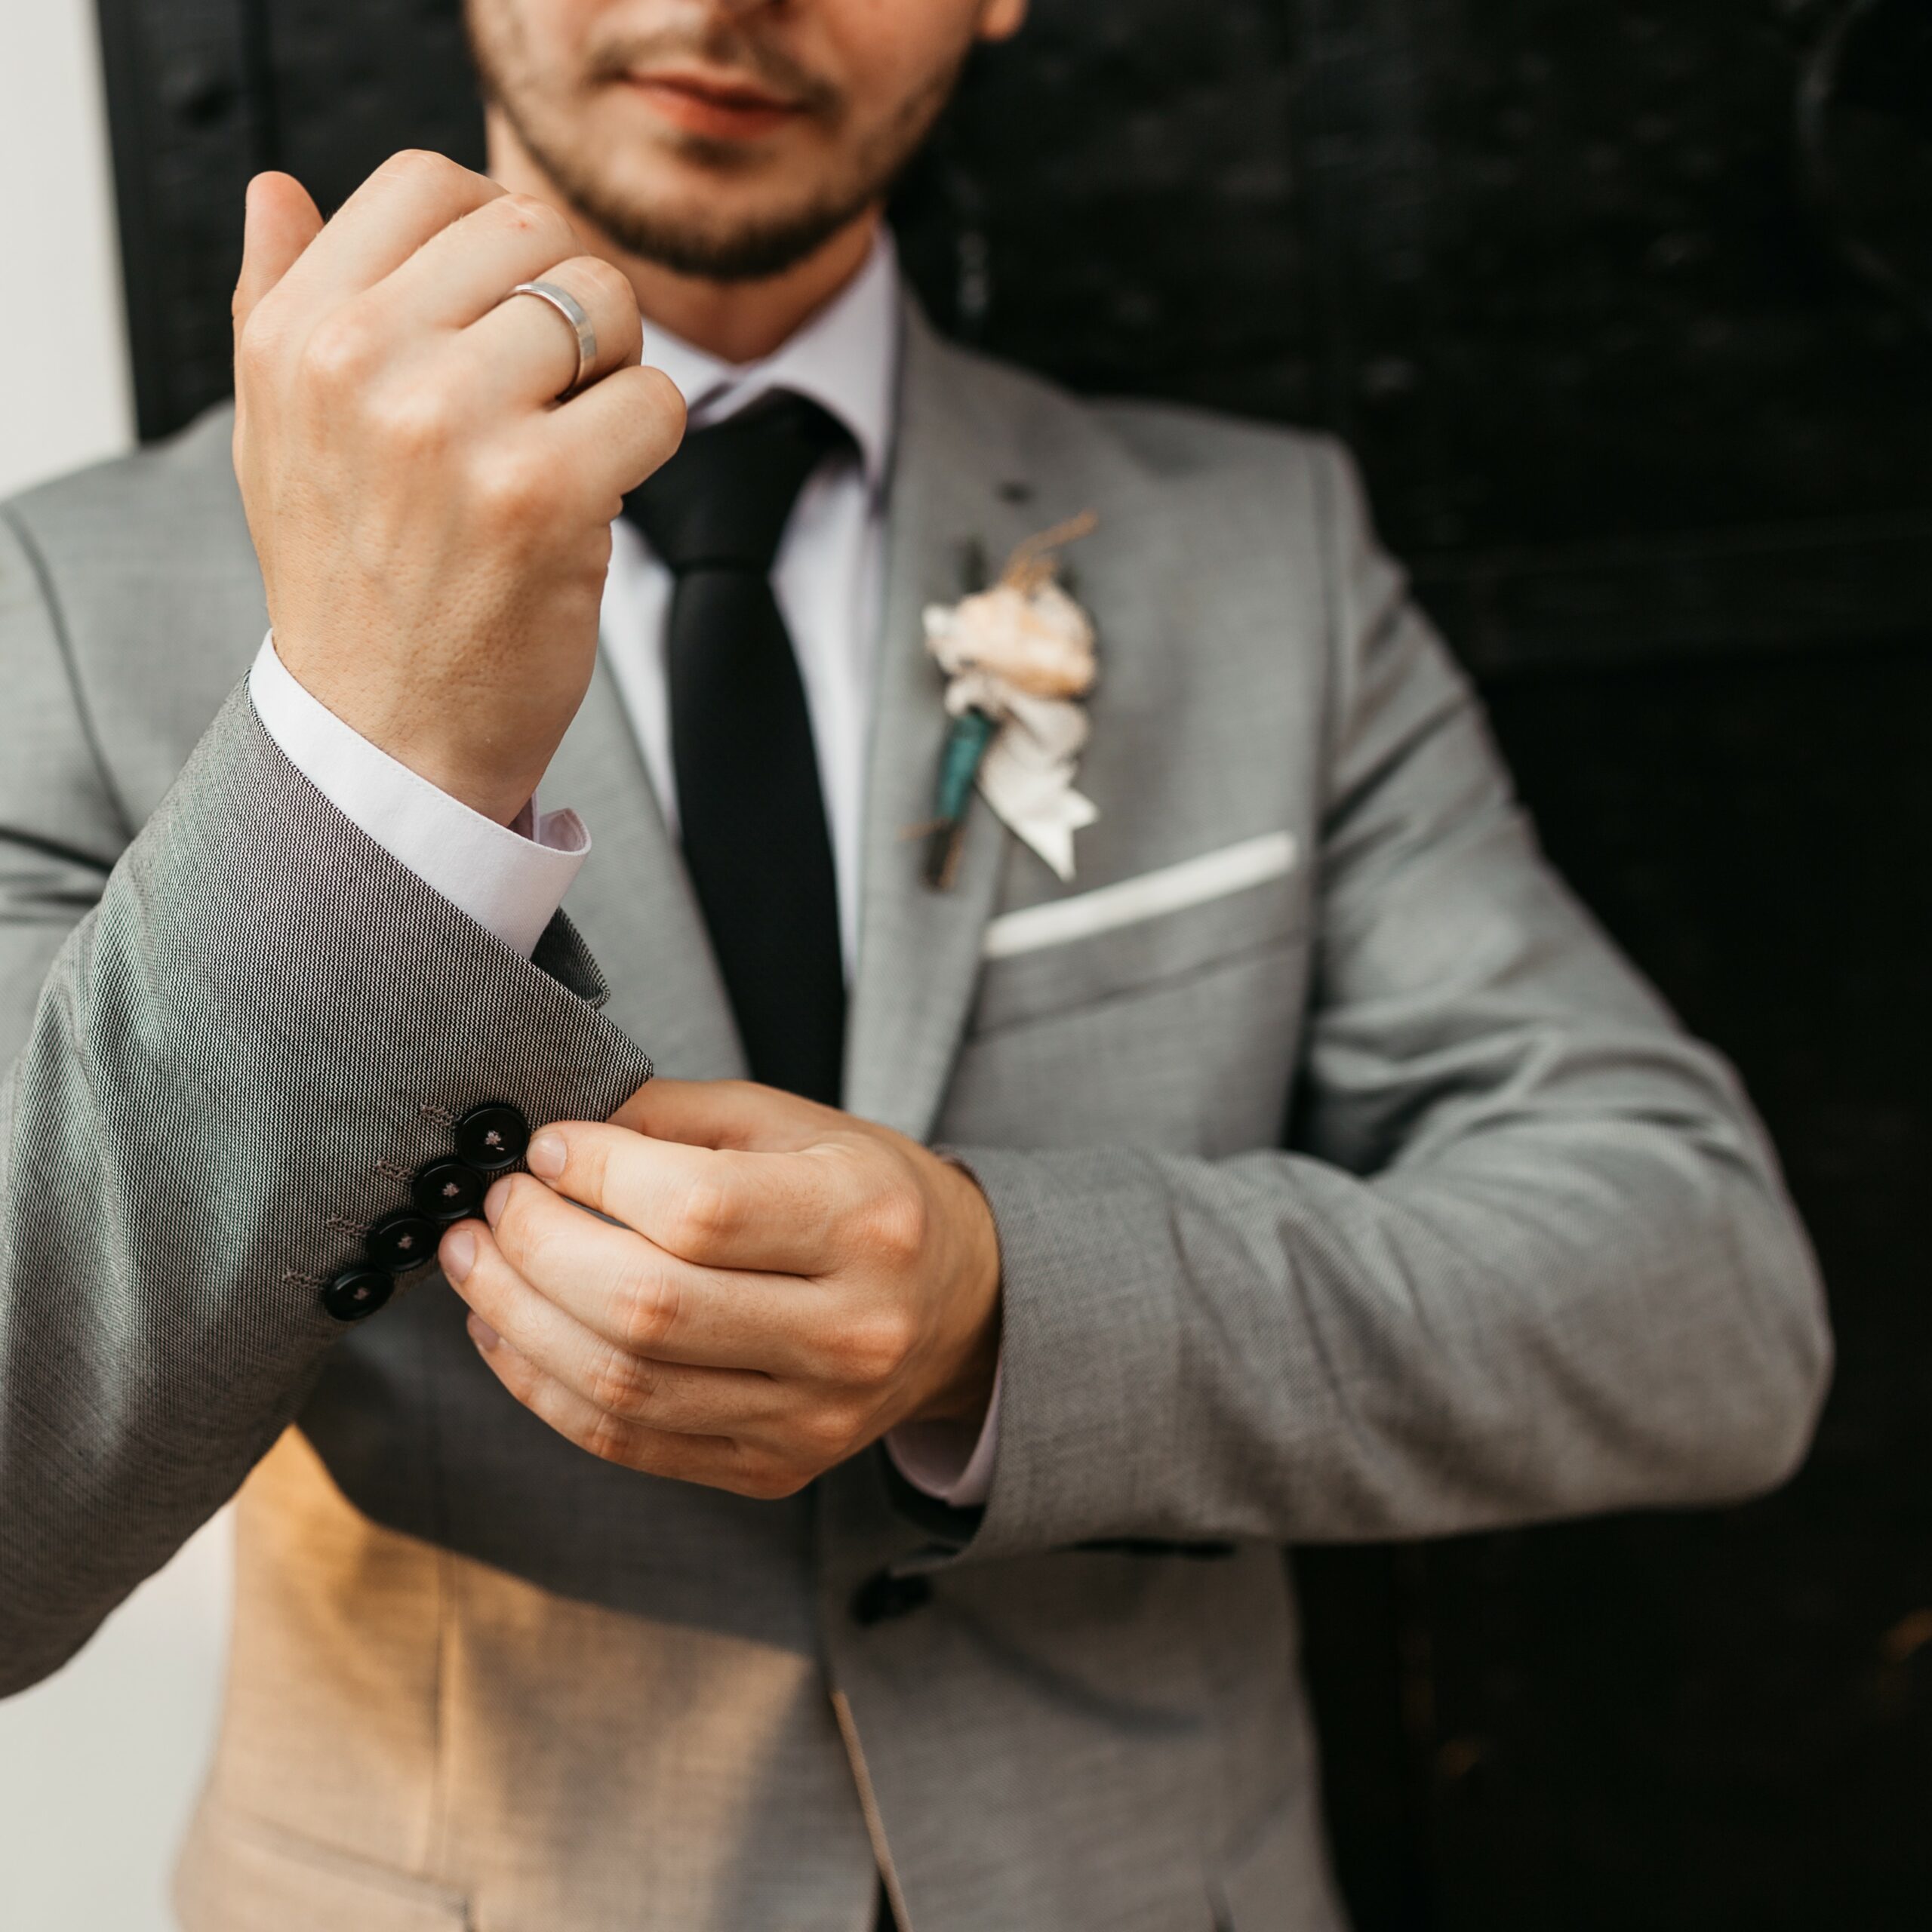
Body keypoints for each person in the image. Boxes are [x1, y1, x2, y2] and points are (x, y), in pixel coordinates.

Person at [0, 2, 1831, 1926]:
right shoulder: (67, 606)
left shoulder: (1257, 552)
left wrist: (994, 1301)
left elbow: (1699, 1296)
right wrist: (370, 752)